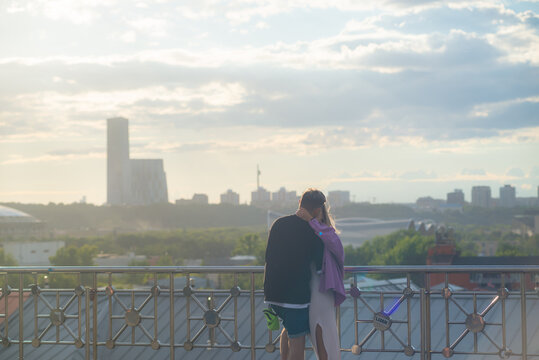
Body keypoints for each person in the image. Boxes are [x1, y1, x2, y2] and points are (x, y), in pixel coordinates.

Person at [264, 189, 325, 360]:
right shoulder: (313, 231)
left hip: (273, 294)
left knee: (289, 329)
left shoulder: (278, 223)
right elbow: (320, 267)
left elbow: (268, 257)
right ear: (317, 210)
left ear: (300, 203)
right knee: (297, 341)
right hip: (295, 297)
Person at [296, 202, 345, 360]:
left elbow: (334, 246)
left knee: (322, 328)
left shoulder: (326, 232)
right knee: (304, 329)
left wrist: (313, 222)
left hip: (322, 288)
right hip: (303, 288)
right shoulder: (301, 231)